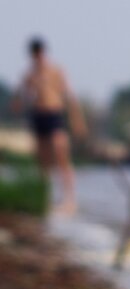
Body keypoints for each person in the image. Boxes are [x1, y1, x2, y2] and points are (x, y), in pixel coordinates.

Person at [9, 36, 87, 214]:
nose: (38, 57)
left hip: (55, 115)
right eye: (35, 55)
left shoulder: (56, 71)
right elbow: (20, 97)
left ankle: (70, 200)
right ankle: (46, 199)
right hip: (38, 116)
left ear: (44, 53)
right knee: (43, 161)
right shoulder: (29, 74)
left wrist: (77, 120)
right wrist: (18, 103)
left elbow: (69, 95)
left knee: (61, 153)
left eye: (40, 53)